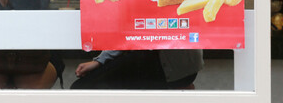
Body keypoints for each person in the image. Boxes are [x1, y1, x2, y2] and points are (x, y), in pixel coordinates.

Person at [71, 50, 203, 90]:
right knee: (82, 88)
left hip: (172, 68)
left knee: (82, 89)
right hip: (184, 67)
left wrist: (101, 60)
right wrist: (100, 60)